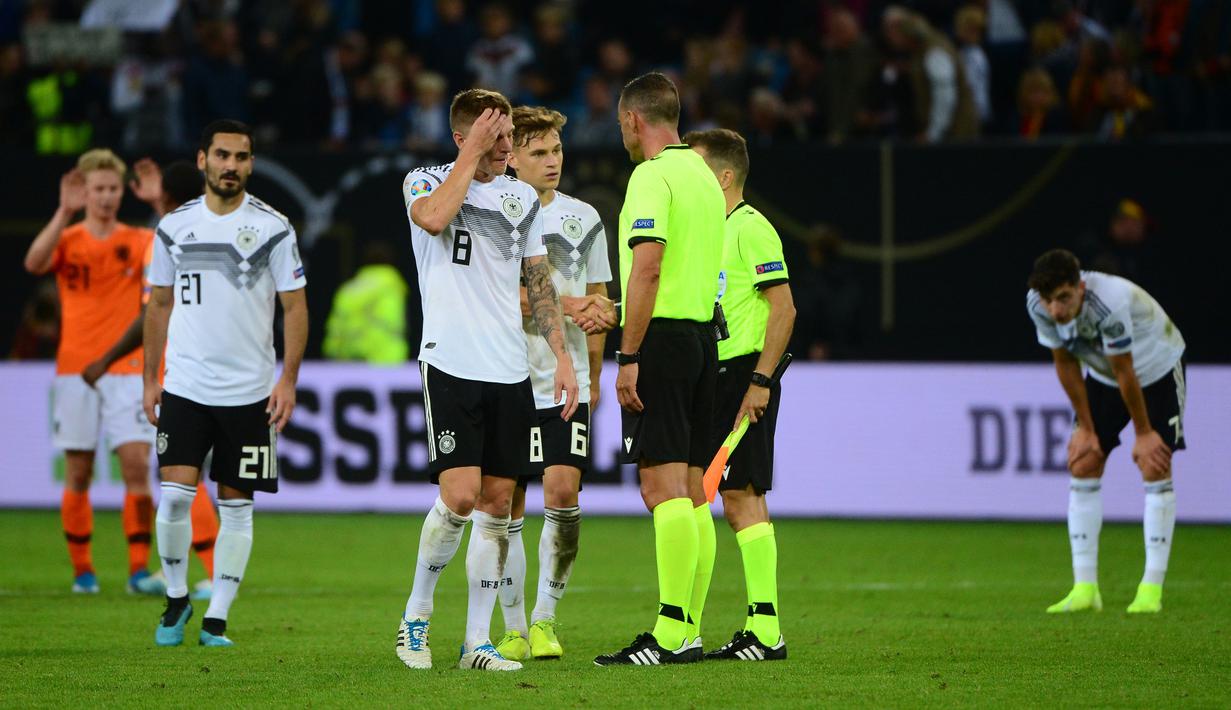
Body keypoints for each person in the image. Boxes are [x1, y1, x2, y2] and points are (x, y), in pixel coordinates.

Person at [396, 89, 577, 672]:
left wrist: (563, 356)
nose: (507, 147)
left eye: (507, 137)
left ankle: (477, 641)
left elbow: (539, 282)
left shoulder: (521, 198)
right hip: (449, 361)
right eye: (495, 136)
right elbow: (432, 220)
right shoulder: (424, 182)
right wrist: (468, 159)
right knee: (460, 496)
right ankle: (416, 618)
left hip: (509, 369)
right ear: (463, 137)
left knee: (498, 506)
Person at [144, 119, 309, 647]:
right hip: (187, 385)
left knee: (237, 506)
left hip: (251, 393)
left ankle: (216, 616)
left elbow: (295, 306)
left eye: (241, 157)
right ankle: (175, 601)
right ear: (202, 160)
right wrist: (152, 377)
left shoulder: (274, 227)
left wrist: (287, 379)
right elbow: (159, 304)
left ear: (251, 164)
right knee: (173, 498)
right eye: (222, 155)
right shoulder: (173, 227)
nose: (231, 166)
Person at [593, 72, 726, 667]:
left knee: (660, 487)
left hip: (665, 343)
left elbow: (647, 269)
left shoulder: (651, 175)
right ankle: (690, 627)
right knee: (694, 493)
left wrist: (629, 353)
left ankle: (671, 633)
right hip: (703, 338)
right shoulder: (702, 173)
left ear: (632, 120)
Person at [493, 106, 617, 662]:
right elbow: (498, 298)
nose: (552, 162)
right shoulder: (493, 211)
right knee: (508, 506)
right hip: (507, 375)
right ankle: (514, 625)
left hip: (569, 384)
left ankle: (545, 617)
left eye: (557, 151)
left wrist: (599, 350)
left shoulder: (584, 217)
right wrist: (570, 305)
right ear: (512, 156)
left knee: (563, 495)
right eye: (539, 152)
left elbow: (599, 299)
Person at [23, 147, 165, 595]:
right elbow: (33, 263)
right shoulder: (68, 240)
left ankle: (138, 570)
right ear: (85, 191)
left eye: (112, 189)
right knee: (79, 471)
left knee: (136, 468)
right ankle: (83, 571)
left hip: (128, 368)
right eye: (98, 189)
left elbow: (172, 252)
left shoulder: (140, 239)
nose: (105, 197)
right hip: (75, 368)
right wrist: (64, 211)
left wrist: (161, 205)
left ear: (123, 192)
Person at [80, 160, 219, 602]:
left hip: (175, 372)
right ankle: (185, 569)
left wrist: (106, 361)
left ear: (163, 197)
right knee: (184, 477)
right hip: (212, 368)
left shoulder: (169, 237)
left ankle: (210, 573)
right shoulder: (211, 230)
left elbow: (151, 310)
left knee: (180, 477)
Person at [685, 128, 794, 662]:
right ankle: (755, 625)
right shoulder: (709, 230)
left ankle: (766, 629)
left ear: (724, 177)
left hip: (742, 377)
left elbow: (785, 309)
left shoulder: (752, 229)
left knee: (741, 496)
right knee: (725, 498)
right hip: (715, 376)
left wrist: (761, 381)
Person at [1026, 249, 1186, 614]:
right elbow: (1065, 361)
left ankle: (1151, 589)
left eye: (1064, 298)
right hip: (1104, 376)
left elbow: (1126, 370)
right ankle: (1085, 588)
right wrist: (1085, 427)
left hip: (1157, 368)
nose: (1056, 310)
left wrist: (1143, 433)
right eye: (1050, 301)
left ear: (1080, 287)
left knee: (1154, 464)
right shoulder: (1037, 304)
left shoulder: (1108, 301)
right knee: (1083, 460)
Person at [322, 241, 410, 364]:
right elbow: (394, 320)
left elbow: (335, 326)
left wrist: (332, 353)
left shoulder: (347, 289)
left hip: (348, 359)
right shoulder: (392, 285)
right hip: (386, 359)